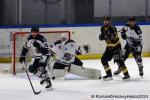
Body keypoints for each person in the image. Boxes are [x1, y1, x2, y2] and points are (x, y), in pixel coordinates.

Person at [99, 16, 130, 81]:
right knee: (103, 60)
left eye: (107, 21)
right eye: (104, 21)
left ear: (109, 21)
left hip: (116, 47)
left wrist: (110, 36)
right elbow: (101, 37)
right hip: (109, 47)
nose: (105, 22)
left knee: (119, 61)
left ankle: (127, 75)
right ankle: (109, 75)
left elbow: (114, 39)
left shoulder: (113, 28)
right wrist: (101, 37)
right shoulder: (102, 28)